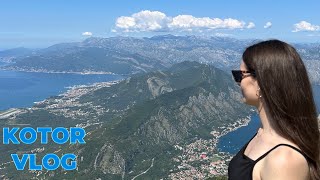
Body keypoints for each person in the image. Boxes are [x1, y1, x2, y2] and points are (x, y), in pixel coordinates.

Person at [228, 40, 320, 180]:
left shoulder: (284, 160)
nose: (238, 82)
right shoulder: (263, 134)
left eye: (240, 75)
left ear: (260, 82)